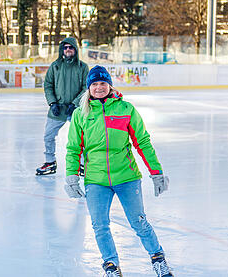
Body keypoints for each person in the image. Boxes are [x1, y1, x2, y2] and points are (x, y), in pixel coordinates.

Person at [64, 66, 173, 277]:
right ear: (88, 88)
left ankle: (158, 259)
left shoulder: (126, 109)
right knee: (100, 226)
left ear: (109, 85)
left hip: (127, 177)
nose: (98, 87)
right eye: (94, 84)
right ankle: (111, 266)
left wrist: (156, 172)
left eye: (102, 83)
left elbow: (142, 142)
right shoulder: (80, 114)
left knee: (139, 222)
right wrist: (71, 176)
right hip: (95, 180)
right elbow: (73, 148)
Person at [36, 37, 88, 176]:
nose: (68, 50)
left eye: (70, 47)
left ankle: (82, 164)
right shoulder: (55, 66)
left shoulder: (82, 67)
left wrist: (75, 104)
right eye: (65, 48)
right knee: (48, 136)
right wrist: (52, 103)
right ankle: (50, 162)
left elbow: (86, 87)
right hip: (58, 108)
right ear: (62, 50)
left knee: (80, 137)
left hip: (75, 109)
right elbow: (48, 85)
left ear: (75, 49)